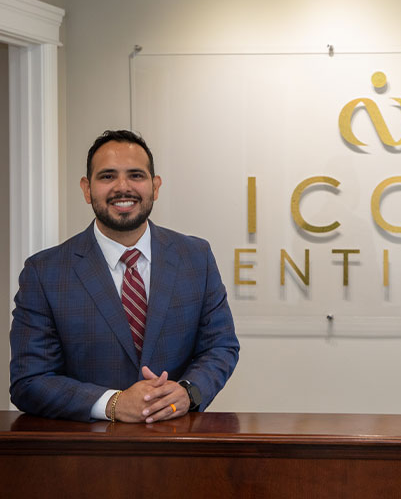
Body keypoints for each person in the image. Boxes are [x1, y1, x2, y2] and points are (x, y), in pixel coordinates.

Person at [10, 130, 239, 423]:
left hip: (180, 449)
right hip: (85, 458)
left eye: (136, 175)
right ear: (86, 189)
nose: (122, 187)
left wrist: (187, 392)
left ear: (155, 186)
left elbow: (221, 346)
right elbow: (29, 381)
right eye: (107, 176)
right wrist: (113, 404)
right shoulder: (44, 272)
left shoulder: (196, 257)